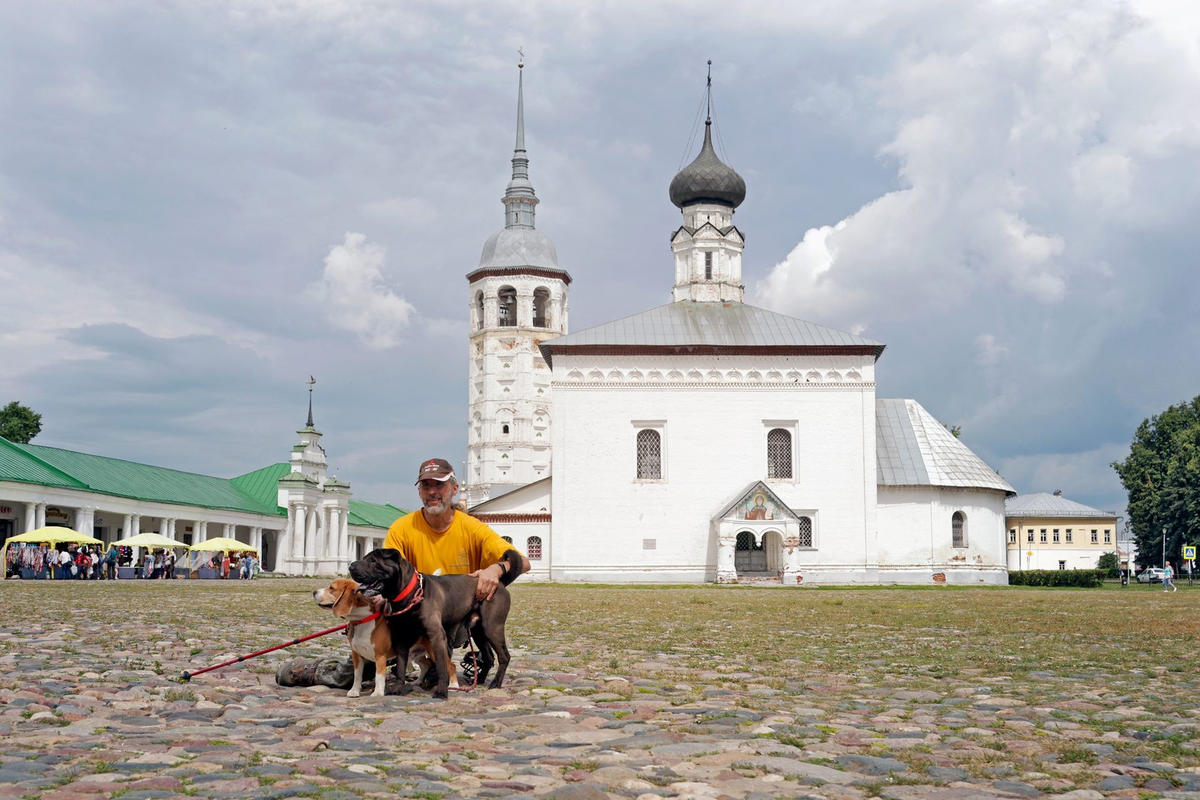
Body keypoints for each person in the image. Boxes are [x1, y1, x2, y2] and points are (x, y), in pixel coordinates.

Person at [277, 457, 529, 691]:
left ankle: (437, 666)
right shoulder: (402, 528)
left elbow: (523, 562)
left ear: (454, 489)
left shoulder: (473, 528)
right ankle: (317, 670)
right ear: (419, 491)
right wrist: (372, 597)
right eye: (426, 486)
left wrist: (496, 568)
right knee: (363, 669)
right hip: (406, 616)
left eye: (439, 485)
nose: (432, 492)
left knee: (438, 658)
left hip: (452, 618)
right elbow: (383, 575)